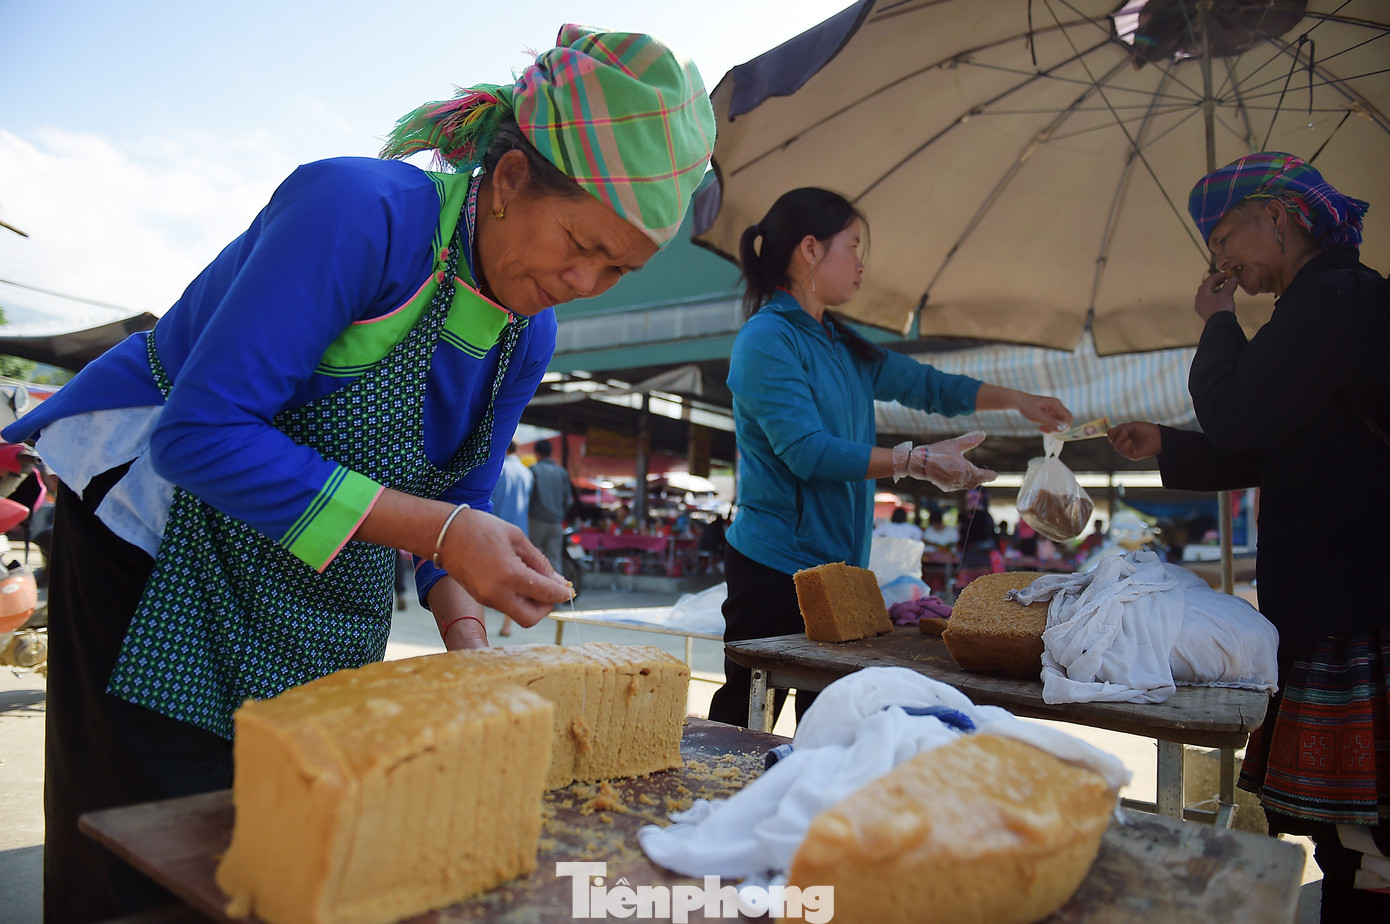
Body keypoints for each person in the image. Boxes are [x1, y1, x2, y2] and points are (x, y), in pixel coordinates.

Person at [0, 25, 715, 924]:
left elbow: (460, 490)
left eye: (618, 268)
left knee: (292, 823)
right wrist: (444, 535)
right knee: (153, 835)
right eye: (580, 241)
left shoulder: (526, 333)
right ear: (507, 182)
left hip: (296, 563)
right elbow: (203, 435)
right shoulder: (360, 211)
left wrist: (463, 621)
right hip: (160, 535)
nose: (585, 278)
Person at [1107, 152, 1390, 921]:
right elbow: (1271, 442)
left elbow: (1240, 416)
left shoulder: (1332, 298)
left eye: (1226, 234)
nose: (1221, 259)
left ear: (1280, 216)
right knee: (1352, 838)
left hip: (1354, 600)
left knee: (1365, 837)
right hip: (1342, 594)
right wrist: (1168, 443)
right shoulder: (1328, 305)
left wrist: (1219, 323)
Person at [706, 187, 1072, 729]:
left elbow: (927, 385)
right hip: (775, 567)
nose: (860, 265)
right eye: (852, 246)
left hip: (842, 570)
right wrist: (917, 461)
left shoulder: (839, 343)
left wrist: (1018, 402)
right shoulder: (767, 340)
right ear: (810, 249)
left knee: (829, 723)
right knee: (743, 721)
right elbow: (806, 452)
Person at [490, 440, 533, 636]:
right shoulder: (527, 473)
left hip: (495, 529)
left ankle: (476, 624)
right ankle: (507, 625)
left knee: (478, 572)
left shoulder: (498, 469)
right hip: (519, 530)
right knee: (513, 578)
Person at [527, 438, 573, 576]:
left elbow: (528, 496)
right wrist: (560, 516)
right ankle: (556, 595)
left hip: (536, 521)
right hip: (556, 523)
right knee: (554, 561)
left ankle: (532, 594)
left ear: (536, 453)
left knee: (532, 558)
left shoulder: (533, 470)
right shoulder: (562, 473)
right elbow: (568, 500)